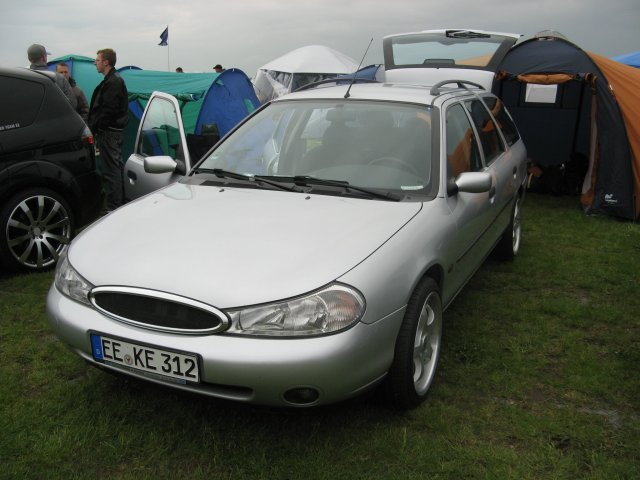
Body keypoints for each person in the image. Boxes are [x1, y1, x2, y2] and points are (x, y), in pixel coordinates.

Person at [88, 48, 129, 214]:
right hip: (110, 131)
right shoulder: (111, 80)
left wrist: (98, 126)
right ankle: (119, 202)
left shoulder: (113, 82)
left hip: (109, 133)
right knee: (115, 168)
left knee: (111, 171)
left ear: (106, 62)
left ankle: (114, 208)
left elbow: (108, 110)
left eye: (97, 60)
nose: (95, 63)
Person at [27, 43, 77, 109]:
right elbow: (72, 104)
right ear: (44, 58)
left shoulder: (23, 77)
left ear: (29, 59)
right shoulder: (59, 78)